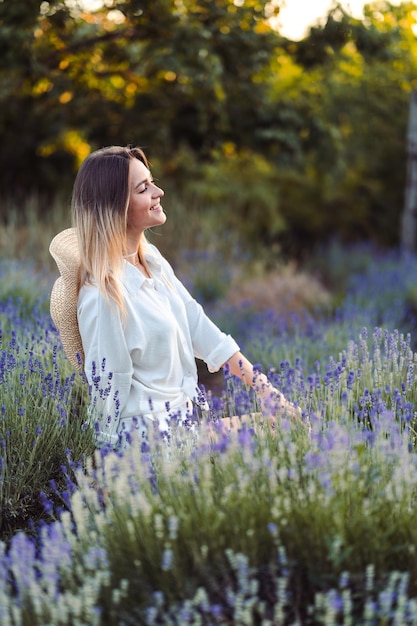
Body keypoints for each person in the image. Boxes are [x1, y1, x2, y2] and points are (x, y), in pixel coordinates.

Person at [50, 145, 299, 450]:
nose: (159, 191)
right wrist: (110, 477)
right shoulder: (103, 296)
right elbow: (108, 389)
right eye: (144, 188)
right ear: (117, 207)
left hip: (184, 427)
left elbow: (202, 330)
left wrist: (265, 389)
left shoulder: (153, 262)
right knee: (278, 435)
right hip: (148, 444)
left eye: (151, 182)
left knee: (288, 423)